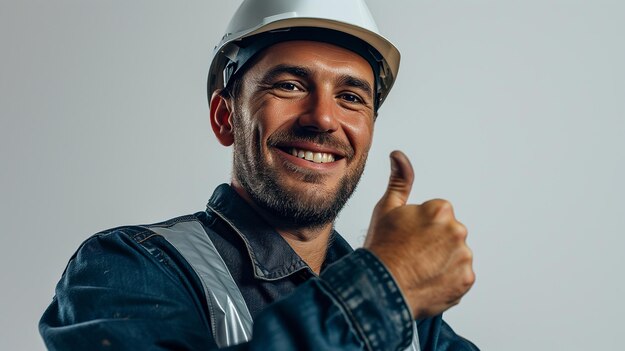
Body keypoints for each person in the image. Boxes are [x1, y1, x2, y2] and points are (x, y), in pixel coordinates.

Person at [40, 0, 478, 350]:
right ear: (224, 117)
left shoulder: (417, 319)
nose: (323, 118)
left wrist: (389, 282)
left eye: (350, 96)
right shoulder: (125, 268)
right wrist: (383, 289)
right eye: (289, 85)